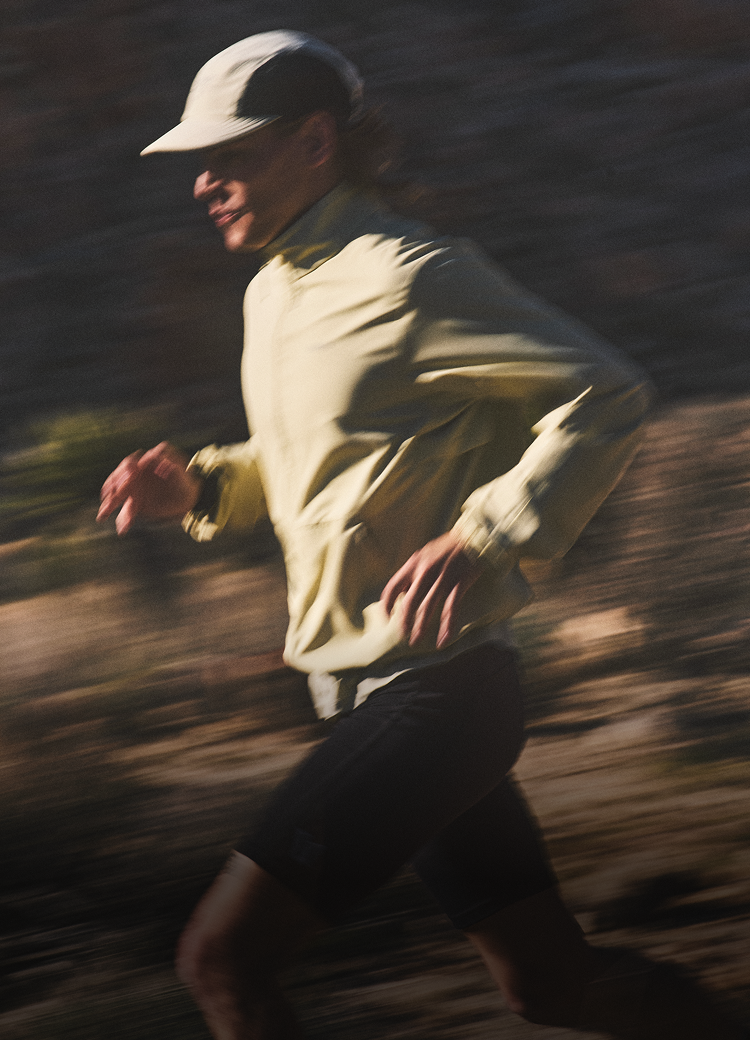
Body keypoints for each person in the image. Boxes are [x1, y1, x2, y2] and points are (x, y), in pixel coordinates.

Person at [98, 31, 746, 1040]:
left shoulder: (412, 274)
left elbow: (607, 390)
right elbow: (317, 456)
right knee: (552, 982)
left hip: (438, 697)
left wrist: (488, 532)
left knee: (221, 960)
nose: (204, 183)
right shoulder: (273, 289)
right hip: (370, 695)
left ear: (316, 141)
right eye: (200, 162)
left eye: (230, 155)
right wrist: (207, 485)